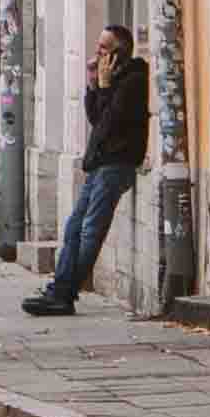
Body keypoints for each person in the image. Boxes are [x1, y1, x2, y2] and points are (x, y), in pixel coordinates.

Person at [23, 22, 151, 316]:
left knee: (90, 229)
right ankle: (60, 288)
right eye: (98, 47)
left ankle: (64, 293)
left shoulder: (133, 80)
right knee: (74, 227)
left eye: (104, 48)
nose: (97, 54)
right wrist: (94, 84)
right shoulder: (113, 78)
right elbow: (96, 118)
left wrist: (105, 88)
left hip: (117, 164)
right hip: (100, 164)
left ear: (119, 53)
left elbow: (111, 122)